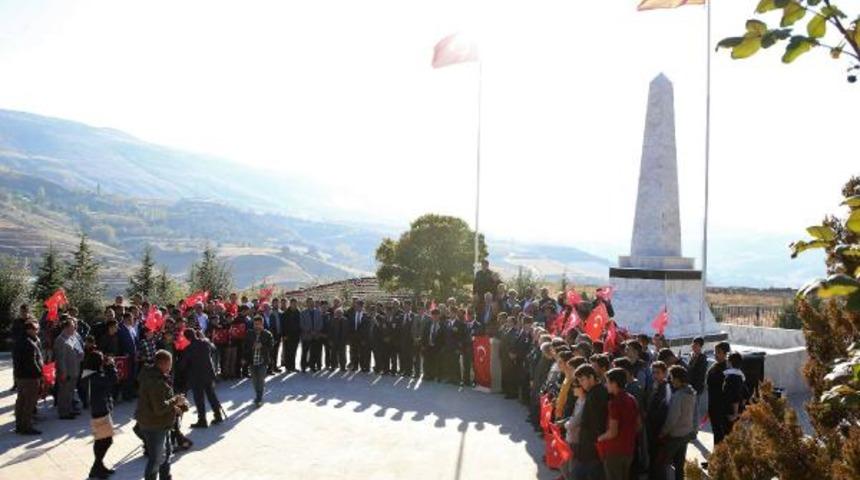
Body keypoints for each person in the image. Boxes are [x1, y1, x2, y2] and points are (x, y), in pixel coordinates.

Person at [136, 350, 188, 480]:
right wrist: (175, 400)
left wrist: (175, 406)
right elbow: (160, 408)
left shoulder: (157, 376)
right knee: (156, 459)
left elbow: (160, 402)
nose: (171, 367)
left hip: (160, 423)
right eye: (169, 364)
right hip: (154, 425)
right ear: (163, 364)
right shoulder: (155, 381)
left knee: (166, 454)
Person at [598, 367, 640, 480]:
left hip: (614, 451)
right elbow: (638, 425)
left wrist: (600, 438)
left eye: (607, 382)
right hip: (629, 450)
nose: (606, 385)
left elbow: (613, 432)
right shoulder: (632, 399)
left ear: (614, 383)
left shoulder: (615, 403)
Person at [656, 365, 697, 480]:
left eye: (672, 377)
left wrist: (663, 432)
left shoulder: (678, 395)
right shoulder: (692, 392)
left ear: (678, 379)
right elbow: (695, 413)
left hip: (675, 435)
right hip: (686, 433)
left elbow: (672, 418)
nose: (670, 380)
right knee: (680, 465)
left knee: (663, 464)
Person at [83, 350, 118, 479]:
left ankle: (98, 465)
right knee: (106, 440)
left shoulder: (90, 374)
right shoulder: (95, 376)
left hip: (98, 409)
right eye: (102, 359)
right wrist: (110, 365)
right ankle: (96, 467)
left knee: (102, 439)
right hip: (100, 410)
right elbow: (113, 380)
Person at [178, 329, 224, 428]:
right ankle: (218, 415)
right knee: (211, 396)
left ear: (187, 338)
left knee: (199, 399)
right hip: (208, 373)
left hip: (196, 376)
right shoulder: (205, 343)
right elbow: (214, 349)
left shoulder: (188, 348)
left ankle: (202, 420)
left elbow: (183, 365)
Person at [574, 364, 609, 480]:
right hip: (588, 445)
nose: (581, 384)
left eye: (583, 379)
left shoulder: (597, 394)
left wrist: (595, 443)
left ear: (592, 377)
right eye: (579, 381)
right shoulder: (594, 392)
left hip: (592, 446)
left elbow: (597, 422)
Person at [13, 321, 43, 435]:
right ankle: (26, 426)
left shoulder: (20, 340)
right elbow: (32, 362)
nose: (37, 331)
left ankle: (19, 425)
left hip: (20, 376)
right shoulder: (28, 343)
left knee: (21, 401)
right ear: (28, 330)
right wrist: (40, 374)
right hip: (30, 377)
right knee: (29, 402)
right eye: (35, 329)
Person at [55, 317, 84, 419]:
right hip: (66, 372)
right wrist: (63, 373)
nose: (75, 328)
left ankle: (69, 409)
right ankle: (63, 413)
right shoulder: (60, 340)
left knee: (70, 392)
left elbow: (79, 351)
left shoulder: (72, 337)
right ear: (66, 327)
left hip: (74, 370)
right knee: (64, 393)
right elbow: (60, 359)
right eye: (72, 326)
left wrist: (80, 355)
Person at [244, 315, 274, 406]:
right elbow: (245, 346)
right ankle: (258, 394)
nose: (257, 326)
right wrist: (251, 348)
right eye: (255, 324)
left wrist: (262, 346)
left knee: (260, 380)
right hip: (252, 361)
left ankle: (259, 397)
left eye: (259, 324)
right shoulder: (249, 333)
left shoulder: (267, 334)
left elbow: (271, 346)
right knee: (254, 380)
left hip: (262, 361)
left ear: (262, 324)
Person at [707, 341, 731, 444]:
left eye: (719, 352)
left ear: (726, 354)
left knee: (723, 435)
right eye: (715, 351)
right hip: (713, 405)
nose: (715, 354)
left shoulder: (727, 369)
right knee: (716, 434)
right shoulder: (714, 366)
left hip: (722, 408)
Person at [723, 351, 748, 434]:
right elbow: (746, 394)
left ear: (730, 362)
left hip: (730, 413)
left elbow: (735, 397)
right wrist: (741, 410)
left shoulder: (731, 378)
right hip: (737, 413)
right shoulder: (740, 376)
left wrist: (735, 413)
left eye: (727, 360)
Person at [687, 337, 708, 434]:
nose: (693, 347)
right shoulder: (692, 356)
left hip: (697, 388)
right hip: (690, 387)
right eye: (693, 344)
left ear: (700, 346)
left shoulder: (702, 359)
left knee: (695, 410)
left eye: (695, 345)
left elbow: (698, 374)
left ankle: (694, 431)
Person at [281, 298, 302, 371]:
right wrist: (284, 335)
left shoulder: (298, 312)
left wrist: (300, 334)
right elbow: (283, 325)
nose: (294, 305)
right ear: (290, 304)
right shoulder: (286, 313)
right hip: (288, 336)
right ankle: (288, 367)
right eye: (293, 303)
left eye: (295, 303)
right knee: (288, 352)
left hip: (296, 335)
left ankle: (293, 367)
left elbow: (300, 324)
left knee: (294, 352)